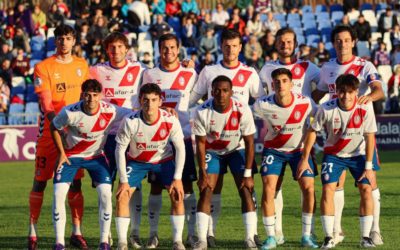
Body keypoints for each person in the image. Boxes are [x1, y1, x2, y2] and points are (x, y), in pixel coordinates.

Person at [190, 28, 265, 247]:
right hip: (213, 145)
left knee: (246, 187)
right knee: (210, 188)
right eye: (226, 45)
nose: (230, 50)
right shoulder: (209, 71)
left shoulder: (250, 73)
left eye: (234, 46)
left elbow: (260, 103)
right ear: (220, 46)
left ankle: (251, 236)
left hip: (237, 144)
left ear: (240, 47)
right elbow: (193, 98)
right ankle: (206, 236)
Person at [312, 24, 384, 246]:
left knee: (369, 183)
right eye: (338, 40)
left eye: (346, 40)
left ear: (353, 42)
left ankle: (375, 230)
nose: (342, 44)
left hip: (360, 134)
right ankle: (336, 231)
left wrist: (369, 98)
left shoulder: (365, 65)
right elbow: (318, 93)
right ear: (334, 43)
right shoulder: (327, 67)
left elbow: (379, 90)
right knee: (336, 185)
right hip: (336, 132)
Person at [28, 24, 89, 250]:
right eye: (60, 38)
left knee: (75, 184)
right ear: (56, 41)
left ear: (74, 41)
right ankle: (32, 232)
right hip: (50, 133)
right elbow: (46, 103)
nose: (64, 42)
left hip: (75, 136)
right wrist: (60, 128)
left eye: (68, 38)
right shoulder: (43, 67)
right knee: (40, 182)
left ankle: (76, 232)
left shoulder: (82, 66)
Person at [50, 79, 130, 250]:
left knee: (106, 194)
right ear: (82, 95)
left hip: (96, 157)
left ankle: (104, 242)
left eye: (95, 95)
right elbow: (54, 126)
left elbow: (134, 113)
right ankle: (59, 243)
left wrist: (163, 110)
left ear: (100, 96)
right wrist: (62, 153)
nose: (91, 99)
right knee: (58, 194)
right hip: (72, 157)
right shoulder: (70, 112)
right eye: (87, 95)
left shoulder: (110, 110)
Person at [300, 74, 377, 249]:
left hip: (358, 155)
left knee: (366, 189)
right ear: (336, 92)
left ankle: (365, 237)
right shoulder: (326, 108)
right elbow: (312, 131)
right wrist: (304, 159)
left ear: (356, 92)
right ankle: (329, 237)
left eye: (350, 92)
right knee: (328, 189)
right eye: (342, 92)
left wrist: (369, 166)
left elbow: (370, 136)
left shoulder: (365, 107)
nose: (346, 96)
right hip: (333, 155)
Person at [259, 27, 320, 245]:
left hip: (300, 140)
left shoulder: (308, 67)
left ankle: (307, 234)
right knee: (273, 187)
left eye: (289, 42)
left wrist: (309, 103)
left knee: (308, 186)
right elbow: (259, 100)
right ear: (276, 43)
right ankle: (275, 233)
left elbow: (323, 89)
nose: (285, 45)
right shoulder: (267, 69)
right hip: (275, 140)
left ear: (295, 43)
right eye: (282, 42)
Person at [90, 31, 147, 248]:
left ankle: (134, 232)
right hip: (106, 137)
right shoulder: (96, 70)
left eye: (120, 47)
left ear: (126, 49)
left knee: (135, 186)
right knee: (105, 187)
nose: (116, 52)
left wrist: (187, 65)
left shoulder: (140, 70)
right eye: (112, 48)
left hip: (133, 135)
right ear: (107, 50)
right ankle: (107, 234)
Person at [141, 33, 198, 248]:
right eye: (164, 48)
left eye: (172, 48)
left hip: (182, 137)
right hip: (158, 141)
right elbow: (142, 102)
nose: (169, 52)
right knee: (156, 188)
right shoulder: (149, 74)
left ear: (179, 48)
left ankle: (190, 235)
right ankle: (153, 235)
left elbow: (199, 97)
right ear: (159, 49)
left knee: (187, 187)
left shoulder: (190, 72)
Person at [114, 83, 186, 250]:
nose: (150, 104)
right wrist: (123, 180)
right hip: (137, 162)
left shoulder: (170, 120)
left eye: (154, 100)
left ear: (161, 101)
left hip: (163, 161)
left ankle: (177, 241)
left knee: (177, 194)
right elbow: (120, 150)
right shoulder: (130, 121)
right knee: (122, 195)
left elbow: (180, 148)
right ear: (140, 101)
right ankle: (122, 243)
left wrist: (178, 179)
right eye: (146, 100)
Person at [192, 75, 258, 250]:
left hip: (237, 150)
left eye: (225, 90)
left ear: (232, 92)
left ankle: (250, 238)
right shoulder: (201, 111)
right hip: (212, 152)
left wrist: (248, 174)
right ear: (211, 92)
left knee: (246, 189)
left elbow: (250, 142)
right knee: (206, 189)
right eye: (217, 90)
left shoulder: (242, 109)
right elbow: (200, 144)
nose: (221, 94)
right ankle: (202, 240)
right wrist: (202, 173)